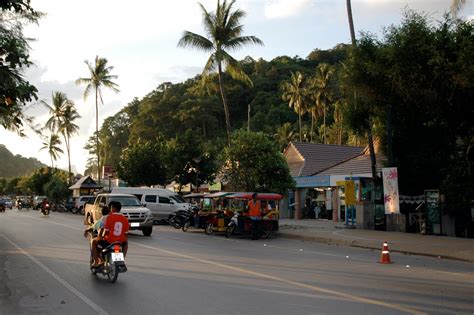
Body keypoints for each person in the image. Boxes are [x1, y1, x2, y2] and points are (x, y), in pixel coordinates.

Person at [93, 201, 129, 267]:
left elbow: (105, 231)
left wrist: (101, 237)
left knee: (94, 242)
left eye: (111, 207)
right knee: (126, 243)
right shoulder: (125, 219)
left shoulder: (109, 217)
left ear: (113, 208)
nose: (110, 209)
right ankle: (121, 260)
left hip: (109, 242)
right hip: (119, 242)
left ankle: (96, 262)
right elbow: (126, 234)